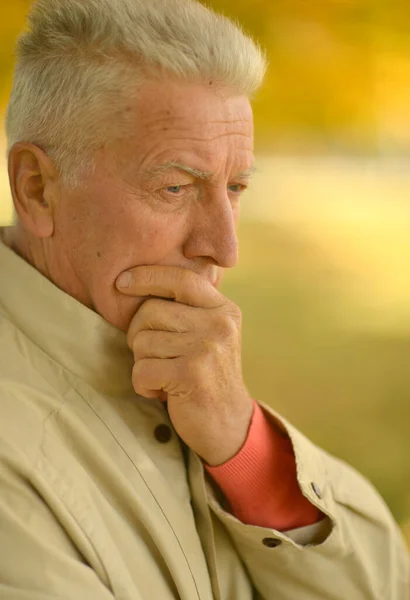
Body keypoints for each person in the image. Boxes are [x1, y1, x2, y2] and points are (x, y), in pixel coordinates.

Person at [0, 0, 408, 598]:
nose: (223, 247)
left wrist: (248, 451)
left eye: (235, 187)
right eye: (174, 186)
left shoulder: (196, 383)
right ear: (37, 189)